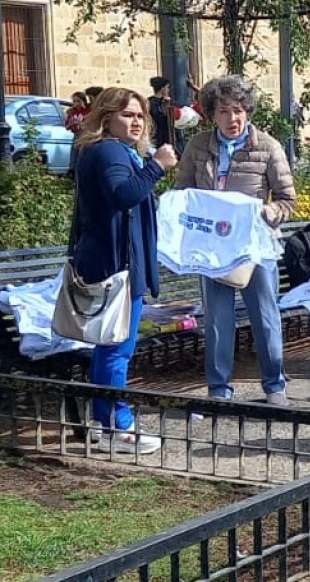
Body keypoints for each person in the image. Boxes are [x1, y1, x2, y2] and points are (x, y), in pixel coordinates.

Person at [176, 75, 297, 405]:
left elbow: (288, 198)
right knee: (218, 320)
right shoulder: (198, 146)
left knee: (265, 314)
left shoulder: (268, 146)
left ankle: (274, 385)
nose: (233, 118)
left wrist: (273, 212)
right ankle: (219, 390)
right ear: (212, 114)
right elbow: (181, 192)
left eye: (240, 110)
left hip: (255, 245)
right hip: (214, 247)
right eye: (225, 111)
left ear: (249, 112)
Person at [72, 87, 178, 453]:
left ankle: (104, 423)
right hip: (115, 267)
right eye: (127, 115)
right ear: (106, 119)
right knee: (118, 349)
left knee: (110, 347)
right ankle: (120, 425)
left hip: (112, 263)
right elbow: (123, 195)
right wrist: (157, 166)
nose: (136, 122)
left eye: (139, 115)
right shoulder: (109, 152)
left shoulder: (111, 151)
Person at [65, 91, 90, 178]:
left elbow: (91, 125)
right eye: (74, 101)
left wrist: (82, 123)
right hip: (76, 136)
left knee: (82, 157)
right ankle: (72, 172)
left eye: (78, 101)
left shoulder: (88, 111)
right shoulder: (72, 112)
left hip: (86, 137)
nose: (76, 103)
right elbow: (67, 126)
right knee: (74, 157)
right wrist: (72, 123)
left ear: (83, 101)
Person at [148, 76, 173, 149]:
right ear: (162, 88)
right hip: (158, 136)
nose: (168, 90)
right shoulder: (152, 102)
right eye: (167, 87)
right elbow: (159, 117)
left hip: (166, 135)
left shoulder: (165, 101)